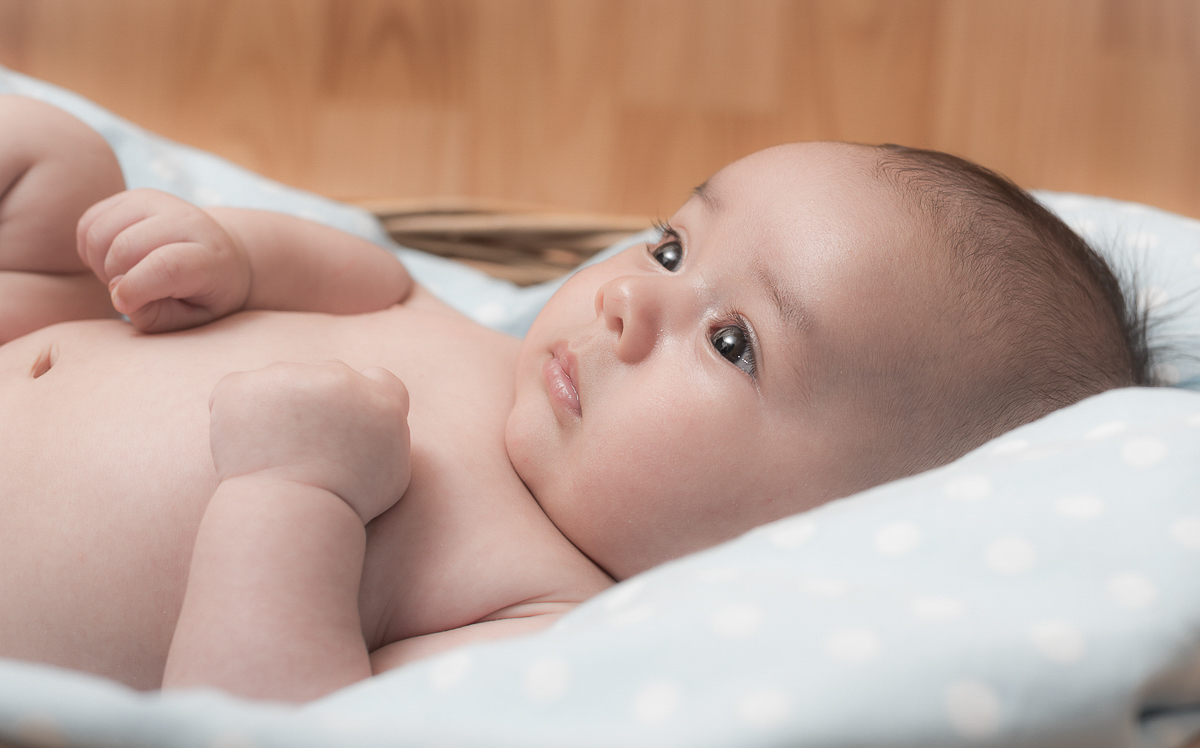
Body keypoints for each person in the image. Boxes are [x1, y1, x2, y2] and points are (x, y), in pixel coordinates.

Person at [0, 96, 1148, 702]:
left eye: (734, 340)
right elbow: (367, 276)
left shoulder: (538, 615)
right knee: (59, 158)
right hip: (50, 326)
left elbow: (269, 742)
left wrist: (287, 492)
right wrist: (228, 255)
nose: (622, 304)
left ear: (816, 535)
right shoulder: (499, 359)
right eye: (667, 247)